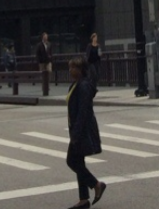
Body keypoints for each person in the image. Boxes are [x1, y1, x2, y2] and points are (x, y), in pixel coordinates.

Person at [65, 56, 106, 209]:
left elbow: (83, 112)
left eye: (73, 68)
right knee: (79, 162)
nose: (70, 70)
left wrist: (76, 133)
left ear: (81, 70)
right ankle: (83, 200)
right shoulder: (75, 85)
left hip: (82, 130)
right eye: (69, 67)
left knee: (71, 161)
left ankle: (96, 184)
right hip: (76, 129)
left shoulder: (83, 86)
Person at [36, 32, 53, 97]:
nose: (46, 38)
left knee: (49, 72)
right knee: (43, 74)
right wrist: (39, 61)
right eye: (45, 37)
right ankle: (43, 86)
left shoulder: (49, 44)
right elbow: (37, 54)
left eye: (47, 37)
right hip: (42, 61)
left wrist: (51, 58)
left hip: (48, 61)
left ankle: (47, 85)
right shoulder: (39, 45)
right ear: (42, 37)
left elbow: (51, 52)